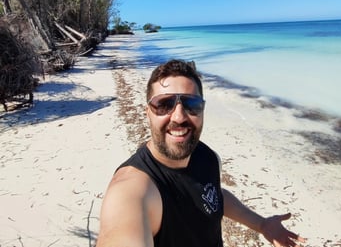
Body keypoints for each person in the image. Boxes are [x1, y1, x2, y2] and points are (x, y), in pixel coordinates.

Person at [96, 59, 306, 247]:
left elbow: (212, 194)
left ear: (203, 109)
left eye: (191, 104)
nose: (178, 117)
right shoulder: (133, 191)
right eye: (164, 104)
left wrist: (261, 224)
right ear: (148, 113)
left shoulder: (206, 156)